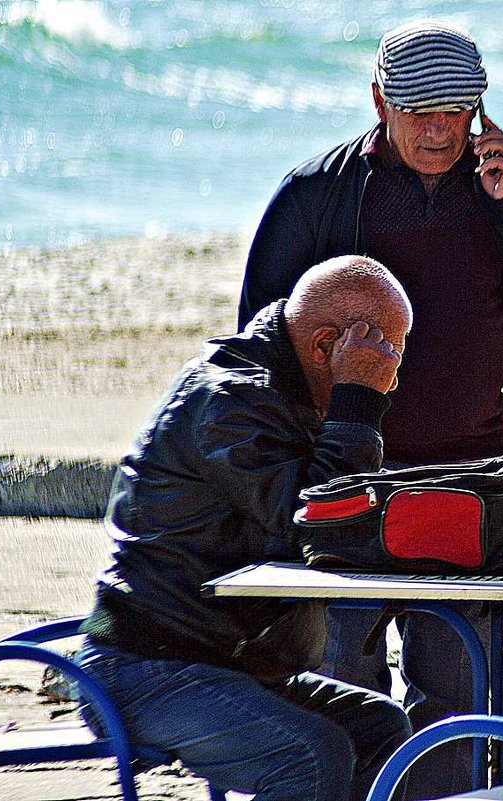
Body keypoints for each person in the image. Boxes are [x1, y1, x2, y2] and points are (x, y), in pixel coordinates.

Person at [236, 19, 503, 799]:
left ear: (480, 107)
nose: (440, 129)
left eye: (457, 109)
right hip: (345, 487)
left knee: (456, 697)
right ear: (378, 101)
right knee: (340, 682)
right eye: (420, 110)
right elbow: (259, 341)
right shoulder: (316, 194)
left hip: (469, 481)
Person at [77, 256, 415, 801]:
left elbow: (344, 510)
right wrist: (358, 402)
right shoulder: (231, 400)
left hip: (229, 658)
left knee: (380, 728)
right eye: (383, 351)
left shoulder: (291, 391)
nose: (392, 372)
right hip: (146, 665)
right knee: (310, 753)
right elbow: (319, 523)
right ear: (326, 345)